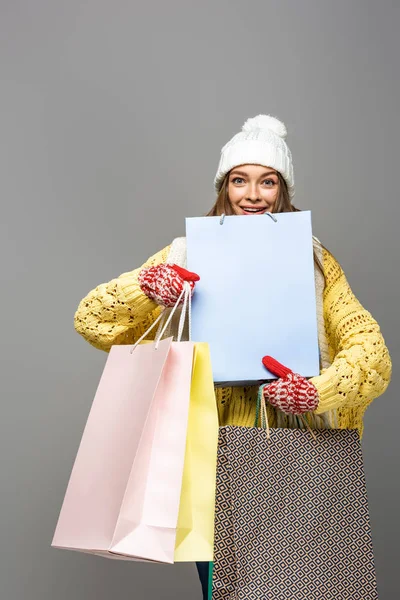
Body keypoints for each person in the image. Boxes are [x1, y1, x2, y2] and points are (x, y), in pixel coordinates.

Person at [73, 114, 392, 599]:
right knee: (228, 589)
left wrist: (316, 391)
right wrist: (146, 289)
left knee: (307, 587)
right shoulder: (188, 251)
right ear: (224, 187)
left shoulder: (314, 261)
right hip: (207, 450)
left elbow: (371, 354)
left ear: (283, 191)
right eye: (239, 180)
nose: (252, 194)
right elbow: (92, 320)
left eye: (268, 182)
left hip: (295, 447)